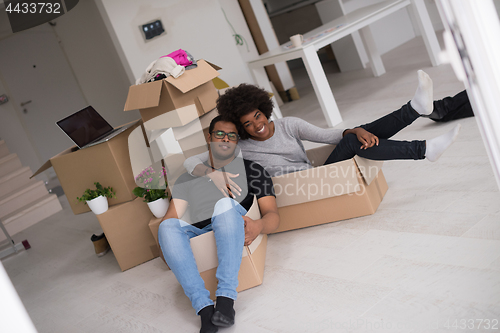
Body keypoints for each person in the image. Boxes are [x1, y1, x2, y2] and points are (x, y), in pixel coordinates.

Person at [183, 71, 462, 197]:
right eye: (247, 124)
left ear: (264, 110)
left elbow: (330, 136)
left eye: (257, 116)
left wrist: (353, 129)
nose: (256, 125)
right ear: (240, 127)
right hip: (304, 188)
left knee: (354, 138)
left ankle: (420, 131)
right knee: (354, 139)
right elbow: (189, 161)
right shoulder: (240, 147)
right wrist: (210, 172)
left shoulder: (288, 124)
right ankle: (416, 120)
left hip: (319, 173)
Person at [157, 116, 280, 333]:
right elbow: (171, 217)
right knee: (165, 227)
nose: (225, 139)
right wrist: (167, 246)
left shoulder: (252, 170)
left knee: (224, 204)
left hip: (232, 221)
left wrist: (258, 226)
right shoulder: (188, 178)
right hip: (200, 231)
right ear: (209, 137)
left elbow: (272, 214)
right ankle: (204, 309)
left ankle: (225, 300)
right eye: (219, 134)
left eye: (232, 136)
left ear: (237, 141)